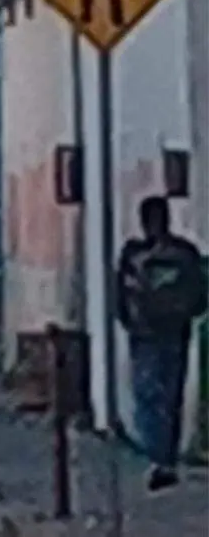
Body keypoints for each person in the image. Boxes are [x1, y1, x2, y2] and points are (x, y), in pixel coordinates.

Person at [117, 195, 207, 491]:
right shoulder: (185, 252)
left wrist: (129, 321)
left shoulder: (133, 254)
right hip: (175, 332)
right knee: (170, 396)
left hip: (145, 334)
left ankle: (158, 458)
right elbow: (200, 296)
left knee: (147, 396)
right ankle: (165, 457)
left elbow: (121, 296)